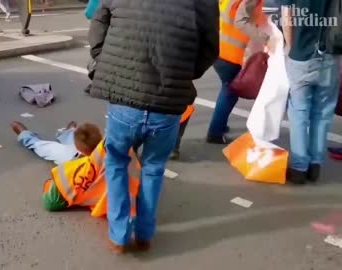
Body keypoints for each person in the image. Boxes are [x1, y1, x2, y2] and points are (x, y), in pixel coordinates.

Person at [88, 0, 219, 253]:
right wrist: (182, 71)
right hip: (168, 101)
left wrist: (102, 58)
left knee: (115, 161)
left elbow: (99, 20)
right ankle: (145, 234)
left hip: (124, 96)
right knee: (154, 167)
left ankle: (119, 235)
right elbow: (210, 48)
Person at [282, 0, 340, 184]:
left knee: (299, 113)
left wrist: (291, 49)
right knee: (322, 114)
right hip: (330, 55)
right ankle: (315, 165)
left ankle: (299, 168)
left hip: (301, 55)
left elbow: (287, 16)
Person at [206, 0, 274, 144]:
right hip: (231, 54)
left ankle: (219, 126)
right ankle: (215, 132)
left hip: (218, 49)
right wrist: (266, 39)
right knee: (230, 92)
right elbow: (241, 21)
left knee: (228, 89)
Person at [41, 138, 140, 218]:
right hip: (83, 164)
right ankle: (69, 132)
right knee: (74, 143)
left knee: (70, 144)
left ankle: (69, 132)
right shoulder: (136, 181)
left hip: (83, 161)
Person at [11, 121, 103, 165]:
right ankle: (70, 131)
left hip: (71, 156)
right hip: (78, 154)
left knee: (41, 146)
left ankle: (24, 134)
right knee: (44, 147)